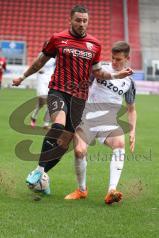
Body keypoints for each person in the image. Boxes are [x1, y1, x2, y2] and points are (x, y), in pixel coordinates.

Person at [12, 5, 133, 195]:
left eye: (85, 20)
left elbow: (98, 72)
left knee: (62, 145)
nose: (82, 24)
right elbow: (39, 62)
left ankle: (43, 177)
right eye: (78, 20)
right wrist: (23, 77)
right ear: (71, 20)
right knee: (58, 125)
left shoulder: (95, 45)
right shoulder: (57, 39)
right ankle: (39, 170)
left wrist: (116, 77)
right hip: (58, 90)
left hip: (79, 99)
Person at [64, 41, 137, 204]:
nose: (114, 61)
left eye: (118, 59)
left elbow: (131, 109)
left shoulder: (130, 82)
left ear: (127, 58)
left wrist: (132, 131)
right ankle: (81, 190)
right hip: (87, 117)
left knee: (119, 142)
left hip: (108, 122)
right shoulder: (100, 68)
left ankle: (112, 190)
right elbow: (83, 86)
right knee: (79, 151)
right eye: (113, 58)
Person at [30, 57, 56, 130]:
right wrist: (38, 69)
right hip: (41, 79)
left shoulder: (56, 57)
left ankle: (46, 124)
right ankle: (33, 116)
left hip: (50, 80)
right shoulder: (42, 55)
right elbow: (34, 64)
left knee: (49, 102)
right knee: (41, 102)